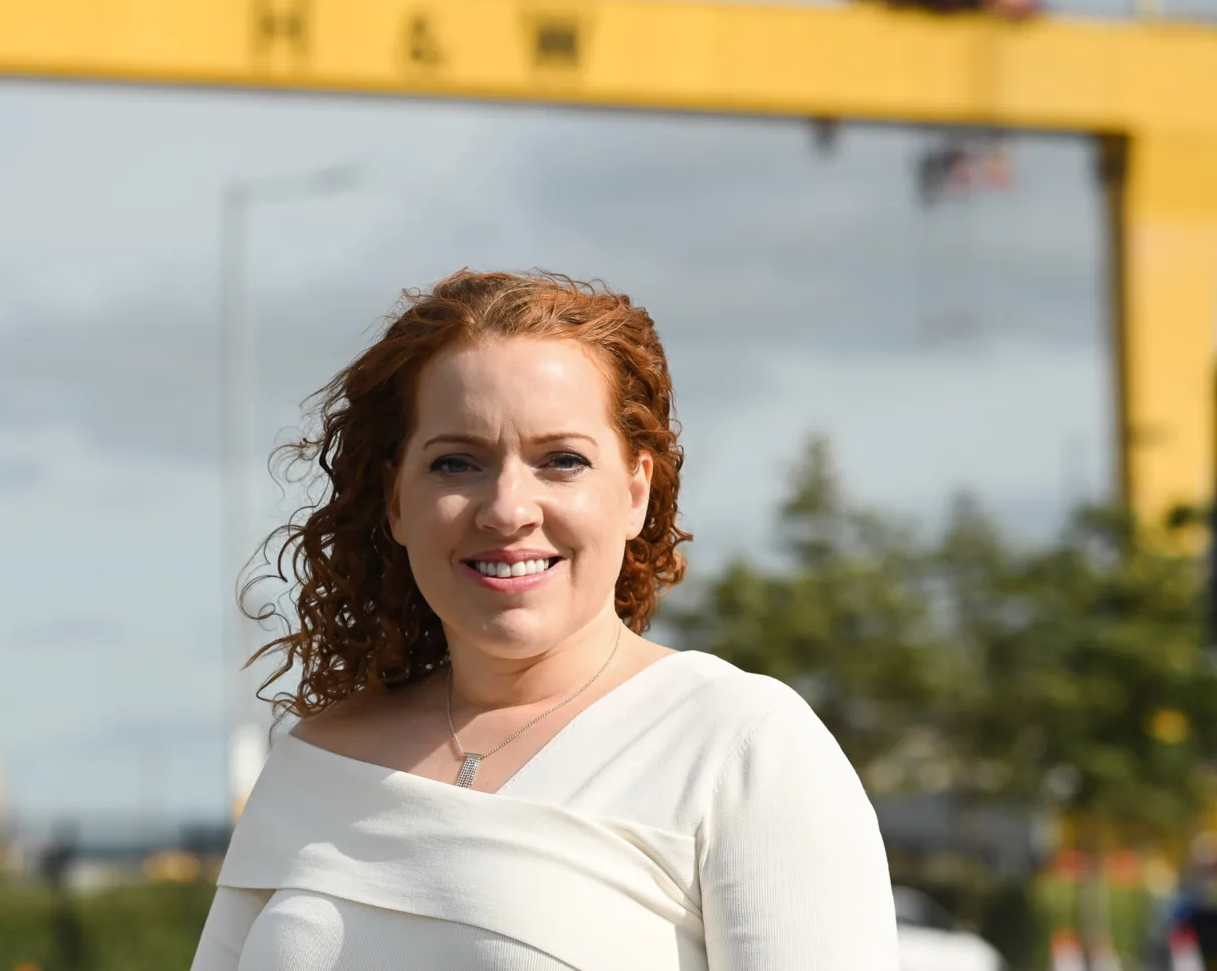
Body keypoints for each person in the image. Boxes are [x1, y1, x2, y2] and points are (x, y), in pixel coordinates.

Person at [191, 270, 897, 970]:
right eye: (456, 462)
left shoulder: (740, 743)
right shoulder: (315, 760)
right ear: (396, 500)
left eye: (561, 460)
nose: (506, 508)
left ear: (634, 491)